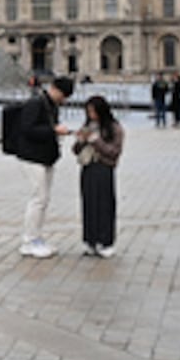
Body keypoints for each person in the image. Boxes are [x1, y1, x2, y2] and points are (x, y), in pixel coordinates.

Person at [16, 76, 74, 259]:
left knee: (43, 199)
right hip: (32, 157)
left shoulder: (50, 105)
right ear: (54, 89)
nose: (63, 100)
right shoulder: (35, 103)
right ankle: (29, 240)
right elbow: (27, 128)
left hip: (44, 157)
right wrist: (53, 130)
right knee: (38, 199)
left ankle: (36, 237)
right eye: (63, 96)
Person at [72, 95, 124, 258]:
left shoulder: (114, 128)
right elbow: (75, 150)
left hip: (104, 168)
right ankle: (90, 240)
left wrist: (96, 141)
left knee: (105, 205)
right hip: (88, 167)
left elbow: (114, 152)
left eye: (93, 112)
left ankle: (106, 241)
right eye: (88, 112)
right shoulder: (88, 125)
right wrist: (81, 140)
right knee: (89, 205)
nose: (91, 115)